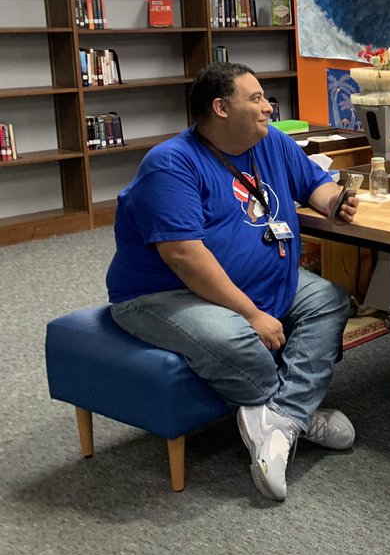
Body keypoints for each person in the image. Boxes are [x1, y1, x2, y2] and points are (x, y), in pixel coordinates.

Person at [106, 63, 359, 503]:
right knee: (238, 337)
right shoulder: (171, 164)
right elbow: (184, 257)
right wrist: (251, 313)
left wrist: (334, 202)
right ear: (221, 108)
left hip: (258, 281)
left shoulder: (271, 141)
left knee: (329, 299)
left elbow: (313, 183)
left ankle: (283, 419)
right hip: (165, 293)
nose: (268, 107)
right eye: (256, 98)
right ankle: (293, 415)